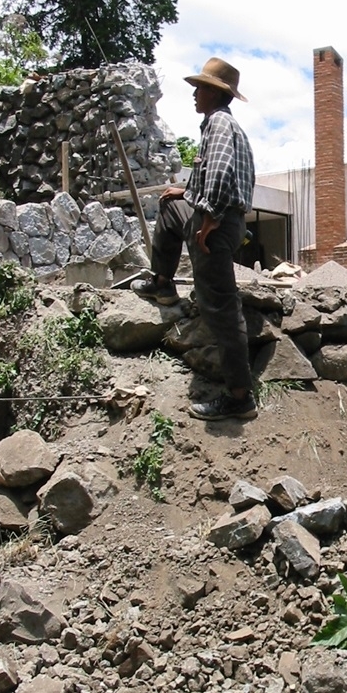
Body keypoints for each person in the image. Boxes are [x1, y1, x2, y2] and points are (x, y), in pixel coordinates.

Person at [132, 57, 257, 422]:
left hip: (217, 223)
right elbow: (211, 176)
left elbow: (220, 175)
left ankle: (239, 396)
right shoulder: (216, 126)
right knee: (170, 208)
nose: (193, 94)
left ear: (215, 93)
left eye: (199, 88)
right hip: (212, 216)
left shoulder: (219, 124)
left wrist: (210, 219)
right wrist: (185, 192)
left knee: (219, 305)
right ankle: (163, 283)